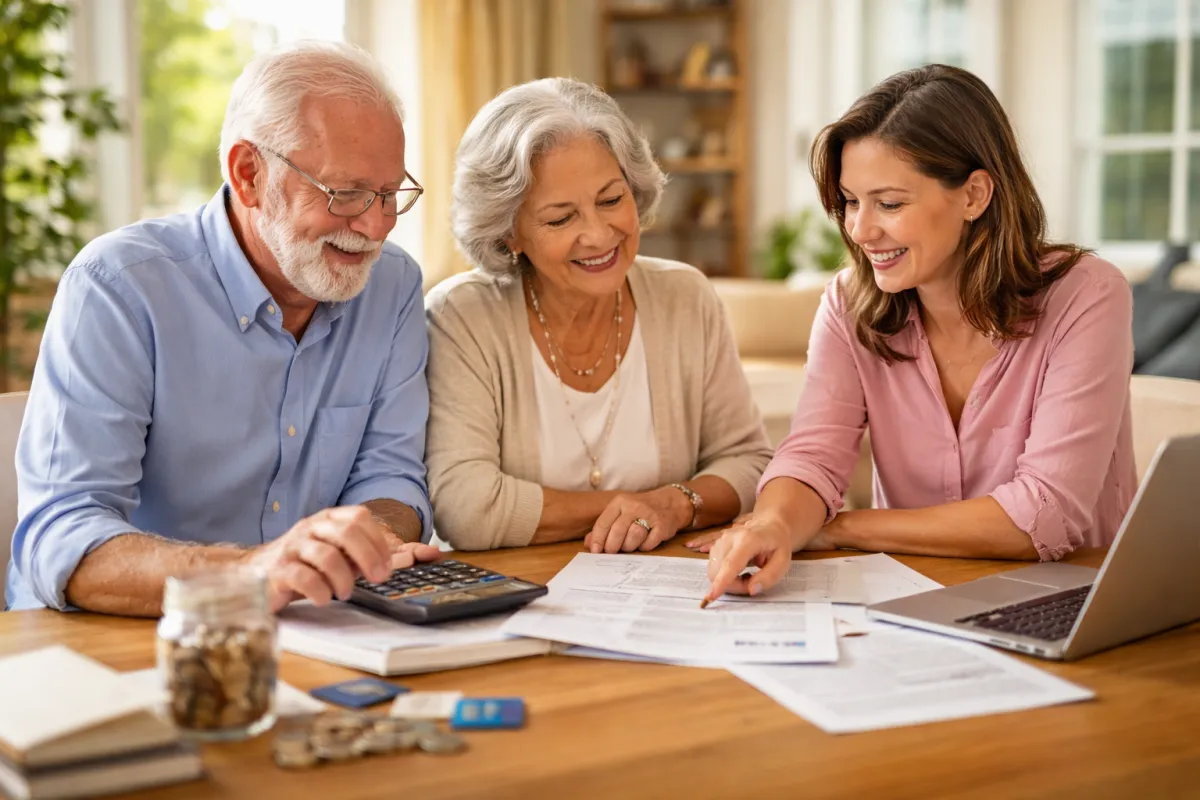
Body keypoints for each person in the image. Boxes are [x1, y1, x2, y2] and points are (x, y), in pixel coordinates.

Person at [5, 41, 440, 616]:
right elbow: (60, 538)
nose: (376, 226)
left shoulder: (393, 286)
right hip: (116, 638)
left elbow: (391, 473)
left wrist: (375, 536)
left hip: (312, 627)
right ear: (248, 174)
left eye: (389, 194)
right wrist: (254, 572)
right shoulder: (118, 286)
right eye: (347, 193)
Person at [697, 64, 1136, 602]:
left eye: (890, 203)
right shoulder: (848, 303)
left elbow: (1042, 518)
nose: (860, 230)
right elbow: (812, 456)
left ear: (974, 195)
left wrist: (841, 528)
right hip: (914, 601)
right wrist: (775, 526)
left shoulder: (1085, 295)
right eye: (851, 202)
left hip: (1073, 604)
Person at [425, 77, 773, 553]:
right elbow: (467, 508)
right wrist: (639, 506)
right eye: (560, 218)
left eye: (611, 200)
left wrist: (672, 506)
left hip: (666, 592)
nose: (598, 234)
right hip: (523, 595)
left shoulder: (685, 297)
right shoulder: (461, 317)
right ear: (508, 232)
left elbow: (749, 462)